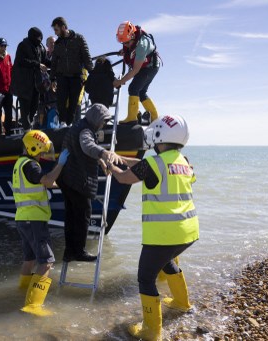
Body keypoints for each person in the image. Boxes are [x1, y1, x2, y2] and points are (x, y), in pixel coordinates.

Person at [107, 114, 199, 340]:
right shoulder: (183, 161)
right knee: (166, 261)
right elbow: (145, 167)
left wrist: (110, 165)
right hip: (188, 232)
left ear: (160, 136)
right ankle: (181, 302)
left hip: (163, 235)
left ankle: (151, 331)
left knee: (145, 278)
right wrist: (121, 159)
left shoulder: (153, 163)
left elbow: (125, 179)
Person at [13, 130, 69, 317]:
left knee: (29, 260)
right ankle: (33, 305)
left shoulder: (20, 164)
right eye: (41, 151)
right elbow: (46, 180)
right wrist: (60, 164)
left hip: (23, 218)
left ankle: (22, 292)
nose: (43, 154)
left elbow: (41, 183)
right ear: (33, 147)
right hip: (34, 219)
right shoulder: (31, 165)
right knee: (46, 262)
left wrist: (62, 183)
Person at [58, 103, 124, 262]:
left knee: (70, 216)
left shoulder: (77, 126)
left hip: (66, 178)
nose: (103, 125)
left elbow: (81, 149)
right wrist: (104, 152)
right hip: (78, 180)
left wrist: (100, 161)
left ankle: (69, 252)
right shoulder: (86, 131)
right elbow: (87, 145)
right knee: (83, 216)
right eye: (103, 121)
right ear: (96, 119)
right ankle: (79, 251)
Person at [113, 21, 161, 124]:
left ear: (133, 36)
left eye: (127, 42)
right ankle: (155, 118)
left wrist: (120, 81)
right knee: (141, 92)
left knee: (133, 88)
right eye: (123, 43)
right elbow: (130, 50)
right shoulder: (130, 41)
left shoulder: (142, 45)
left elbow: (135, 70)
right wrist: (125, 51)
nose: (125, 45)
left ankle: (132, 118)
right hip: (144, 67)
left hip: (150, 67)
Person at [50, 17, 93, 126]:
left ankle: (69, 125)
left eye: (56, 30)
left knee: (74, 103)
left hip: (76, 75)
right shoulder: (58, 43)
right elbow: (54, 61)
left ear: (63, 27)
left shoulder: (79, 38)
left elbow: (86, 56)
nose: (55, 33)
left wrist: (92, 73)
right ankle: (63, 123)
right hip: (62, 76)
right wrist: (52, 78)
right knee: (61, 101)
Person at [11, 27, 51, 131]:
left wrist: (55, 64)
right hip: (23, 83)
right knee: (25, 107)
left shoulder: (41, 47)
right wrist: (38, 65)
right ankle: (26, 128)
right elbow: (21, 61)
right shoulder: (23, 45)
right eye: (38, 38)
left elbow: (45, 60)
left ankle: (28, 123)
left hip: (36, 83)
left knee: (34, 106)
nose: (39, 41)